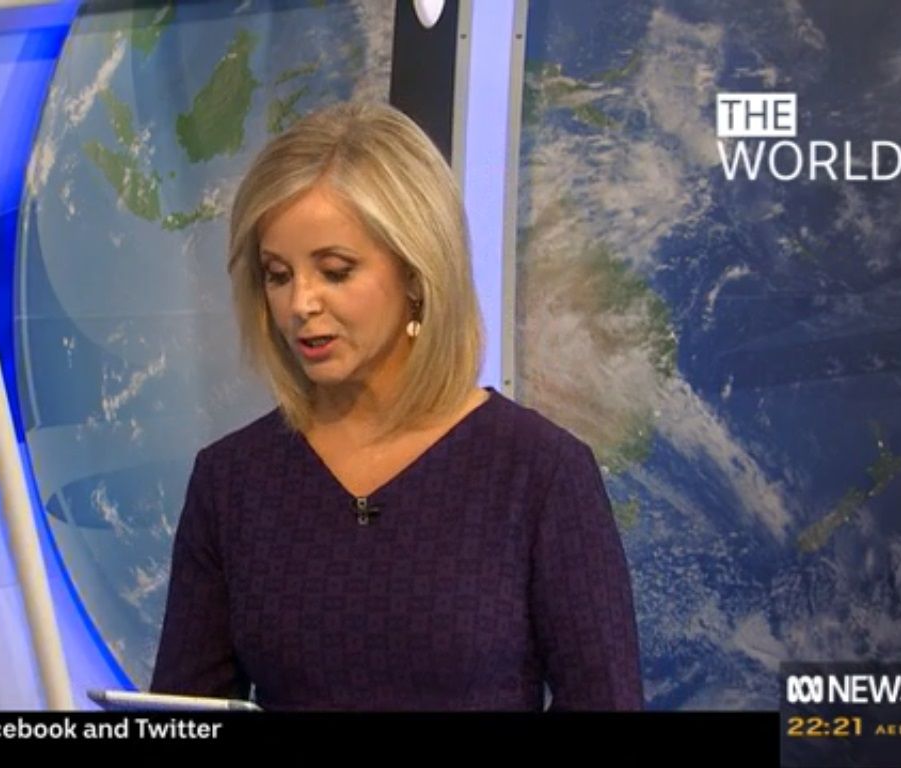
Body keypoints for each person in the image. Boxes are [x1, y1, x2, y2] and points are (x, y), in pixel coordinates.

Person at [150, 101, 642, 711]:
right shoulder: (231, 482)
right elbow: (181, 714)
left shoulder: (540, 473)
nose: (301, 304)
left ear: (414, 272)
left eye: (335, 271)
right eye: (278, 275)